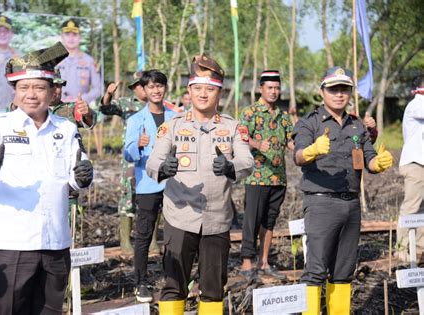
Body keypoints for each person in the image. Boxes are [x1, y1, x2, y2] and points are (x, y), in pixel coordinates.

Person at [0, 42, 93, 314]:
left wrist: (81, 178)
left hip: (55, 242)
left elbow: (73, 178)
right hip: (12, 243)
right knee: (11, 309)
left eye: (38, 87)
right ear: (15, 91)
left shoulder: (66, 129)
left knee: (50, 309)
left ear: (51, 91)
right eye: (24, 88)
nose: (31, 95)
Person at [146, 54, 253, 315]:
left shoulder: (232, 127)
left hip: (217, 218)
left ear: (219, 93)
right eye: (198, 89)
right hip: (180, 215)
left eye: (210, 89)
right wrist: (163, 168)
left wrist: (231, 167)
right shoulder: (172, 127)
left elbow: (247, 161)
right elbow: (152, 162)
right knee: (173, 285)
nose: (203, 94)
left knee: (213, 286)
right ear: (189, 91)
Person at [293, 67, 393, 315]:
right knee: (316, 268)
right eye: (333, 89)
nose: (339, 94)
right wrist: (311, 151)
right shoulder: (310, 122)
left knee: (343, 269)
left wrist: (377, 164)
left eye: (344, 90)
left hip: (351, 204)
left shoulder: (356, 126)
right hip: (321, 203)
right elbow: (297, 156)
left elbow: (367, 157)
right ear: (322, 91)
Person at [123, 70, 177, 302]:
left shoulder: (176, 116)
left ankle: (174, 278)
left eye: (160, 86)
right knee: (144, 235)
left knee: (176, 234)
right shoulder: (136, 120)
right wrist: (139, 145)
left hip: (175, 184)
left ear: (165, 88)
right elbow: (127, 154)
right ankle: (141, 282)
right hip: (148, 184)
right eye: (151, 86)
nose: (156, 90)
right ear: (144, 91)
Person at [239, 70, 294, 281]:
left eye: (277, 88)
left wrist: (306, 150)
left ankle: (264, 263)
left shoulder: (283, 116)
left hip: (278, 177)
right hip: (257, 176)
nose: (274, 92)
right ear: (260, 89)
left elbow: (290, 142)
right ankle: (246, 263)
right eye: (269, 88)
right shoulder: (250, 113)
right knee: (252, 220)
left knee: (269, 221)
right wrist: (256, 144)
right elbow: (240, 136)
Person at [99, 72, 149, 255]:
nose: (142, 88)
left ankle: (151, 241)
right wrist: (109, 94)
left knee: (154, 198)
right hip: (132, 158)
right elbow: (105, 109)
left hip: (153, 158)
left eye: (146, 84)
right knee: (128, 194)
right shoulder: (127, 104)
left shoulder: (158, 105)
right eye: (138, 85)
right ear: (134, 88)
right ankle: (126, 241)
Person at [397, 74, 424, 263]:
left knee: (421, 209)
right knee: (411, 207)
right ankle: (401, 250)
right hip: (416, 164)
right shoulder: (416, 104)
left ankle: (419, 250)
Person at [57, 19, 101, 104]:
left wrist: (82, 99)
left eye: (75, 34)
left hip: (80, 108)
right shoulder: (53, 60)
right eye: (67, 34)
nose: (71, 38)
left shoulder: (89, 61)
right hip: (56, 108)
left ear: (80, 37)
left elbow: (98, 88)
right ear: (62, 36)